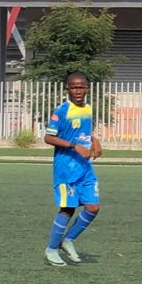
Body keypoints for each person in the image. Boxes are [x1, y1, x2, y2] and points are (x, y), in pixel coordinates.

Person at [41, 73, 103, 267]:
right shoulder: (61, 111)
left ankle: (68, 240)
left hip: (85, 168)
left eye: (81, 87)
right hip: (66, 169)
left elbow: (84, 132)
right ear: (67, 90)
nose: (78, 91)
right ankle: (51, 249)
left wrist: (94, 140)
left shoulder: (88, 109)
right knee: (67, 209)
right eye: (74, 87)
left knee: (93, 207)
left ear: (87, 89)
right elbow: (49, 138)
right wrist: (74, 146)